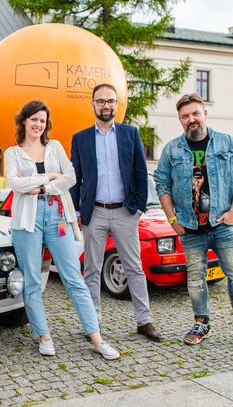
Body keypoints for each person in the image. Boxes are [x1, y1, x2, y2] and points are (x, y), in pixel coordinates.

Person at [5, 100, 119, 360]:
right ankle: (43, 336)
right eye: (33, 119)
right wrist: (49, 176)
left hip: (57, 214)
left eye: (42, 120)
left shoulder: (54, 147)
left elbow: (71, 177)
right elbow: (15, 183)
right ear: (24, 121)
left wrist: (41, 187)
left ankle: (97, 338)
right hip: (27, 220)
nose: (38, 124)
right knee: (32, 280)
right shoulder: (13, 153)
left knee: (74, 278)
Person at [154, 93, 233, 350]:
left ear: (205, 114)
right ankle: (201, 323)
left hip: (223, 226)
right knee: (196, 279)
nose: (191, 119)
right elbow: (162, 184)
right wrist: (172, 219)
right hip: (189, 227)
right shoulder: (172, 149)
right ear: (180, 119)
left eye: (195, 113)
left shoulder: (226, 142)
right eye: (185, 116)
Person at [70, 83, 163, 342]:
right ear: (93, 104)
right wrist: (76, 211)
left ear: (116, 104)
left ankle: (144, 321)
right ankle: (93, 322)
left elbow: (140, 172)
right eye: (101, 101)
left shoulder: (130, 134)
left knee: (134, 267)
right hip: (94, 212)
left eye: (110, 101)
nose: (106, 105)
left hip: (125, 212)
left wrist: (138, 208)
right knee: (91, 269)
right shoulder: (81, 138)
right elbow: (76, 178)